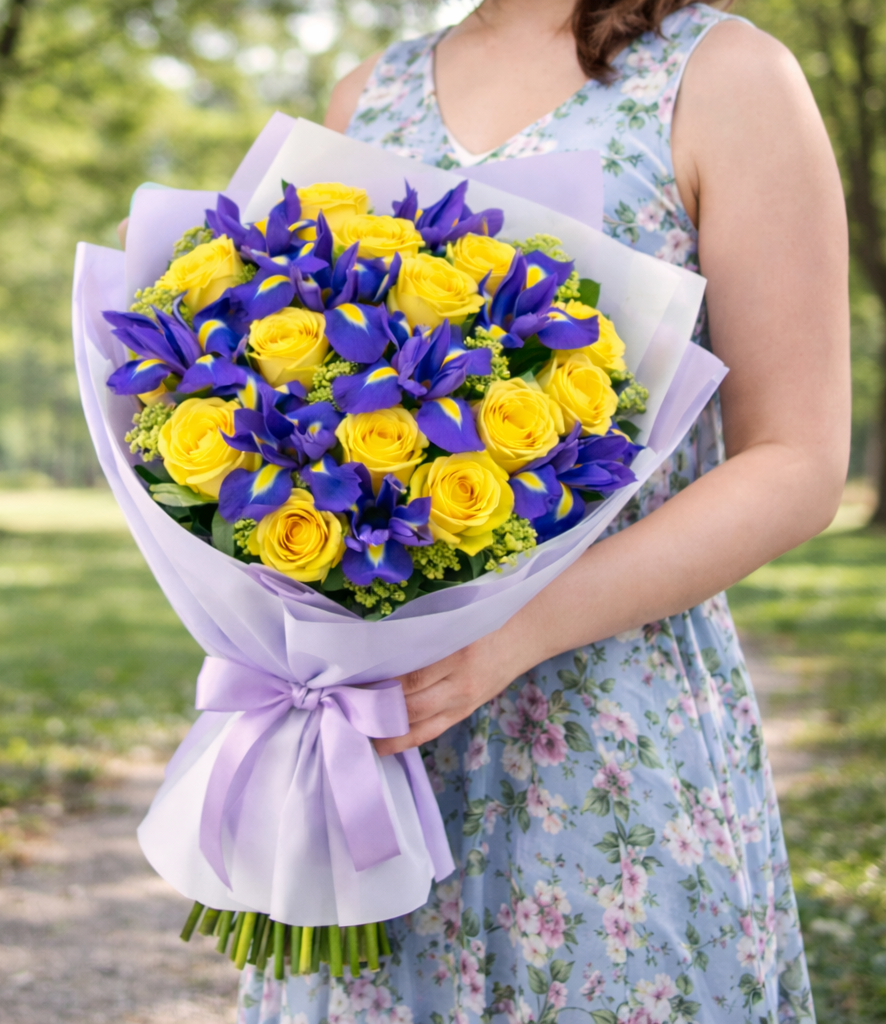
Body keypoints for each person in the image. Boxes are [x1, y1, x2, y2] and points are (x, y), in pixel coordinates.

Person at [235, 1, 848, 1021]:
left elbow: (796, 460)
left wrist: (509, 635)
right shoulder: (368, 92)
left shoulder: (725, 75)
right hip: (385, 738)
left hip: (610, 717)